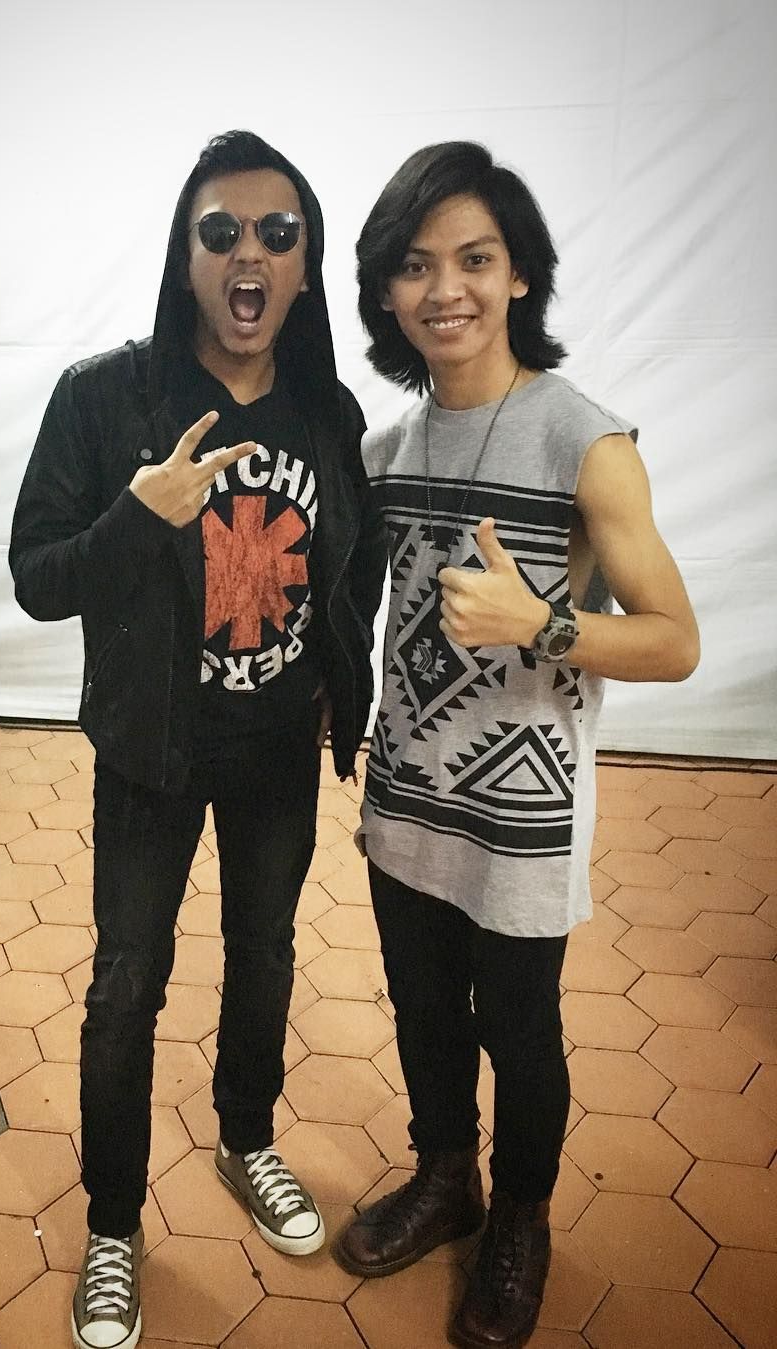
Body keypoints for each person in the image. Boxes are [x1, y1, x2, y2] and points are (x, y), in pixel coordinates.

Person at [9, 129, 384, 1349]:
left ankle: (245, 1136)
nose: (247, 252)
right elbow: (35, 575)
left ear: (306, 265)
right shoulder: (104, 398)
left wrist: (336, 680)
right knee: (128, 984)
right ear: (185, 257)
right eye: (220, 231)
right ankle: (115, 1223)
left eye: (278, 233)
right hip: (153, 749)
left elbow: (355, 561)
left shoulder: (329, 412)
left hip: (274, 746)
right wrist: (136, 514)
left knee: (264, 951)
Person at [334, 142, 699, 1349]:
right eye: (416, 265)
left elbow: (676, 640)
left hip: (523, 812)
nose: (447, 289)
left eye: (476, 259)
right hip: (406, 793)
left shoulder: (584, 440)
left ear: (520, 274)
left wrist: (542, 622)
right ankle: (448, 1177)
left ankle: (521, 1218)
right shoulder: (389, 450)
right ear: (387, 291)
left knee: (521, 1027)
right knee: (422, 1006)